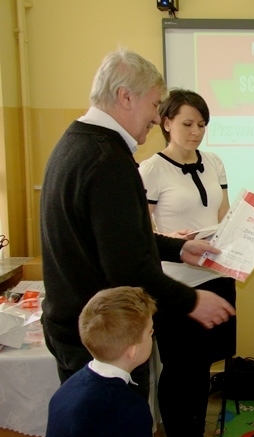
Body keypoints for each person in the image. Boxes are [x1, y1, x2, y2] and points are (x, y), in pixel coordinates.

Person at [39, 49, 235, 399]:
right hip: (103, 337)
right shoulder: (108, 161)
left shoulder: (77, 142)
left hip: (80, 327)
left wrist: (179, 248)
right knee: (115, 429)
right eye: (155, 105)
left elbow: (118, 236)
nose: (157, 117)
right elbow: (127, 265)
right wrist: (191, 300)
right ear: (125, 97)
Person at [42, 286, 232, 437]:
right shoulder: (128, 409)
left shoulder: (69, 387)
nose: (152, 336)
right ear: (133, 351)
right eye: (150, 332)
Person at [138, 89, 236, 437]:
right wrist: (173, 240)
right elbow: (141, 232)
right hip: (176, 285)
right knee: (179, 371)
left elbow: (224, 216)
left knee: (202, 368)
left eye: (202, 125)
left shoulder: (214, 162)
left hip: (216, 278)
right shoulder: (151, 169)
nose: (196, 132)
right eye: (188, 124)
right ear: (166, 122)